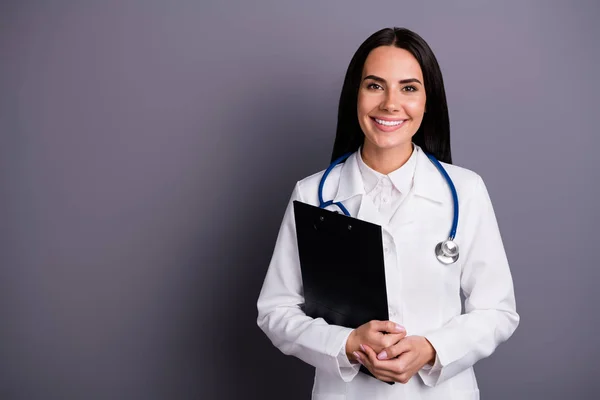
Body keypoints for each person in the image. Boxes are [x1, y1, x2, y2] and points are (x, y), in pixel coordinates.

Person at [256, 27, 519, 400]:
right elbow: (276, 311)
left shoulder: (466, 190)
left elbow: (498, 311)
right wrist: (346, 343)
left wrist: (432, 348)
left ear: (429, 102)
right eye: (375, 86)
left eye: (409, 88)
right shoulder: (313, 194)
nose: (390, 104)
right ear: (355, 96)